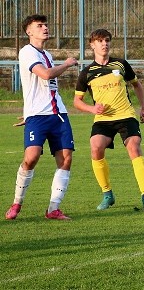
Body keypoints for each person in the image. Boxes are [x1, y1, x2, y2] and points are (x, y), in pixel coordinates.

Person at [73, 29, 144, 212]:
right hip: (103, 119)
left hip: (126, 115)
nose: (104, 44)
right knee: (95, 147)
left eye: (107, 40)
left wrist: (143, 107)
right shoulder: (86, 73)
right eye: (100, 41)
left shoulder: (121, 64)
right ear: (92, 44)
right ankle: (107, 194)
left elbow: (137, 85)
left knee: (134, 147)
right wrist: (92, 109)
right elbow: (77, 101)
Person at [6, 14, 78, 221]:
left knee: (65, 158)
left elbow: (46, 87)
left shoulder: (46, 53)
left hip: (58, 115)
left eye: (46, 24)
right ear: (29, 31)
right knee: (32, 157)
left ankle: (53, 208)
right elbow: (45, 75)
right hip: (38, 116)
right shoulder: (27, 52)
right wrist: (67, 64)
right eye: (40, 25)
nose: (45, 28)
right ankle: (17, 202)